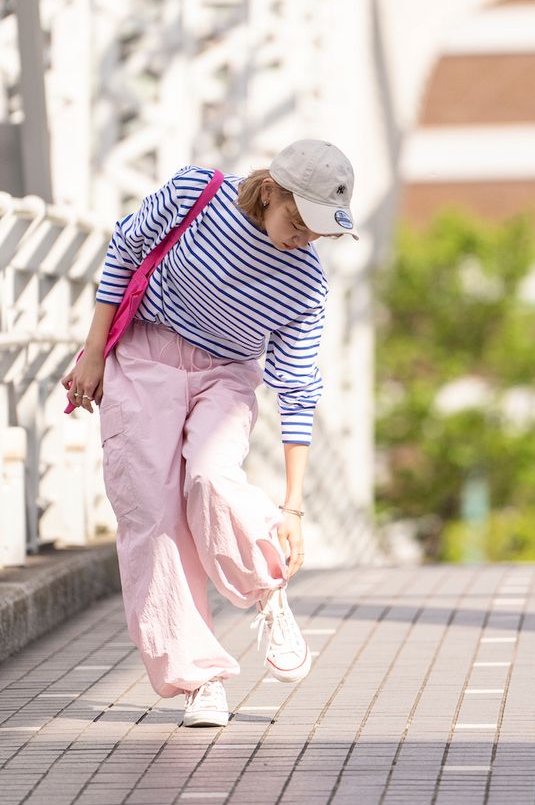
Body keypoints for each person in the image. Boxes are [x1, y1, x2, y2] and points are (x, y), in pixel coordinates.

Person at [61, 139, 358, 728]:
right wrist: (93, 354)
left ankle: (267, 591)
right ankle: (200, 680)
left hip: (226, 378)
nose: (304, 239)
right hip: (146, 358)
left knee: (211, 479)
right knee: (151, 516)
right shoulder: (194, 192)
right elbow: (123, 252)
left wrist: (292, 507)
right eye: (297, 222)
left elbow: (297, 388)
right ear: (268, 191)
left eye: (317, 233)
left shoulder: (306, 286)